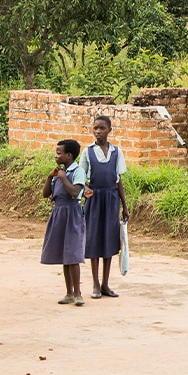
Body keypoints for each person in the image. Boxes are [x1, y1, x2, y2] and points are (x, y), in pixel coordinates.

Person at [81, 115, 128, 299]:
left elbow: (118, 180)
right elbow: (80, 176)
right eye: (95, 128)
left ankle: (105, 284)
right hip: (94, 199)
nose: (98, 132)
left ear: (109, 130)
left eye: (102, 128)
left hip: (111, 199)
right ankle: (95, 284)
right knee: (94, 239)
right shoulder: (88, 152)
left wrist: (124, 205)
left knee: (109, 240)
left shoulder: (116, 152)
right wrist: (85, 190)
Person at [41, 138, 87, 305]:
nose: (56, 156)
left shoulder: (77, 172)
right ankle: (69, 293)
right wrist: (50, 177)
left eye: (59, 153)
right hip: (59, 213)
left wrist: (63, 178)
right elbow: (46, 194)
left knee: (73, 253)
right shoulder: (58, 173)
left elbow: (75, 192)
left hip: (73, 213)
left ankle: (78, 293)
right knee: (64, 254)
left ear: (69, 155)